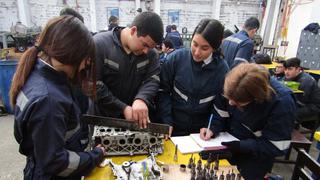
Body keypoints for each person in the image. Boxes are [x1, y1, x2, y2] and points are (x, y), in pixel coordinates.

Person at [9, 16, 106, 179]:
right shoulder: (49, 100)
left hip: (36, 166)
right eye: (85, 60)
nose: (84, 67)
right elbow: (55, 163)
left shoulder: (36, 75)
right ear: (72, 55)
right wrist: (94, 156)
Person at [200, 63, 296, 179]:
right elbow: (220, 113)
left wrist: (242, 146)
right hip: (227, 145)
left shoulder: (282, 103)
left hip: (257, 156)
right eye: (228, 98)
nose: (230, 103)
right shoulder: (230, 82)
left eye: (238, 102)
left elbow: (277, 146)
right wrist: (213, 127)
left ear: (256, 98)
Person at [158, 18, 229, 136]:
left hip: (199, 135)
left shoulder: (222, 70)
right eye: (194, 44)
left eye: (204, 48)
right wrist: (166, 121)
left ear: (215, 47)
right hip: (172, 129)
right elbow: (162, 92)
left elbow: (221, 106)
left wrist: (212, 127)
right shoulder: (176, 59)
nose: (197, 52)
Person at [93, 11, 163, 128]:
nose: (146, 51)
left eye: (150, 48)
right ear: (133, 30)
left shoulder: (151, 54)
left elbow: (152, 79)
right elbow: (93, 84)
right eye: (145, 45)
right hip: (103, 120)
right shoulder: (100, 45)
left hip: (135, 122)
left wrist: (142, 98)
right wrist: (122, 107)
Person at [284, 57, 320, 129]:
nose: (286, 72)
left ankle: (290, 132)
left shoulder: (306, 80)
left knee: (287, 112)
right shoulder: (290, 77)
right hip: (302, 103)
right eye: (285, 69)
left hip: (312, 106)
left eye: (290, 69)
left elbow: (301, 101)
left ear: (298, 69)